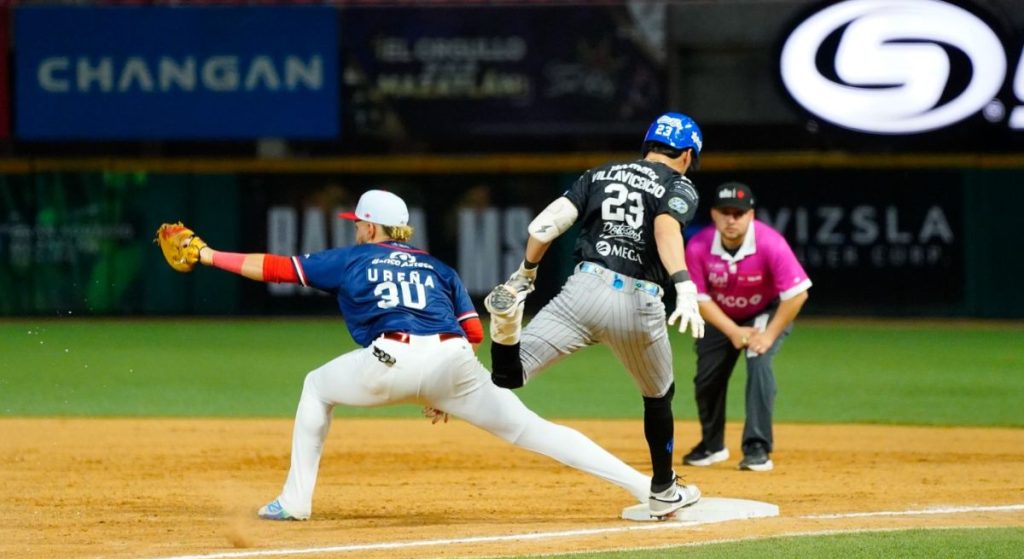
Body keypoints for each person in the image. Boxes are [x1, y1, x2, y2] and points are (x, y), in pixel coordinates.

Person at [162, 189, 687, 520]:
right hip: (454, 360)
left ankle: (295, 502)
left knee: (316, 388)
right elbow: (474, 335)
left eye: (357, 223)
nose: (355, 229)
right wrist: (444, 391)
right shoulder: (438, 268)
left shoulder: (352, 257)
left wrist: (207, 255)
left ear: (369, 228)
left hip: (390, 359)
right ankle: (651, 487)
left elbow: (274, 268)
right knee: (535, 431)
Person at [484, 112, 707, 514]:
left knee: (509, 374)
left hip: (583, 289)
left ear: (648, 146)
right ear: (688, 154)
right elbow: (665, 228)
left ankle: (504, 322)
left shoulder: (599, 174)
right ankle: (662, 489)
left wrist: (525, 274)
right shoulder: (679, 184)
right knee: (658, 396)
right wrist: (684, 284)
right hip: (638, 302)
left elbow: (544, 226)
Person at [681, 182, 811, 472]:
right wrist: (733, 331)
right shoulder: (699, 245)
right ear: (713, 214)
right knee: (707, 378)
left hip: (764, 313)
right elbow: (698, 298)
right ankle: (712, 445)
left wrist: (768, 335)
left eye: (738, 213)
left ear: (750, 215)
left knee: (759, 361)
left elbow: (797, 294)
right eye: (725, 212)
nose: (731, 219)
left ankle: (757, 446)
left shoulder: (770, 242)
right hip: (720, 316)